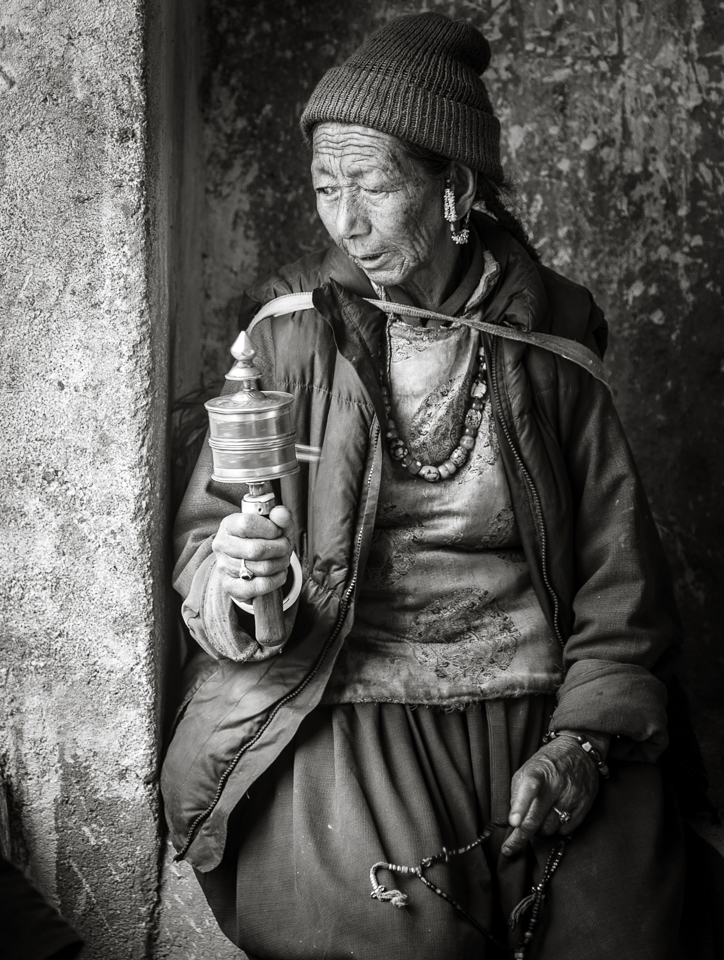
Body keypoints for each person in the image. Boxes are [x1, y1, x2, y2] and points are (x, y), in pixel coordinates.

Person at [162, 12, 688, 959]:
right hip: (345, 697)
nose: (345, 220)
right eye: (327, 188)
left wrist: (584, 741)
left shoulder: (554, 342)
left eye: (372, 184)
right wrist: (243, 582)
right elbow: (210, 541)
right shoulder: (290, 340)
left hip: (538, 699)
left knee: (628, 932)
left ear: (455, 189)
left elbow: (620, 581)